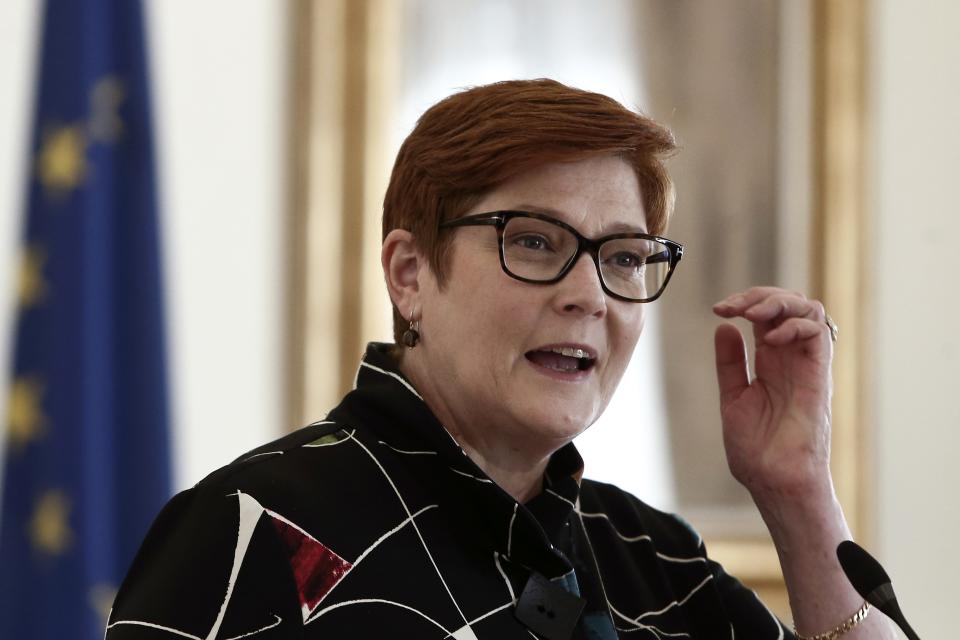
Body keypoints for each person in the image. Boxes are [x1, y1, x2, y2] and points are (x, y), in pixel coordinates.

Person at [106, 79, 895, 639]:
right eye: (534, 242)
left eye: (623, 257)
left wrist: (799, 496)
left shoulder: (653, 560)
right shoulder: (251, 528)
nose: (590, 293)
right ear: (410, 274)